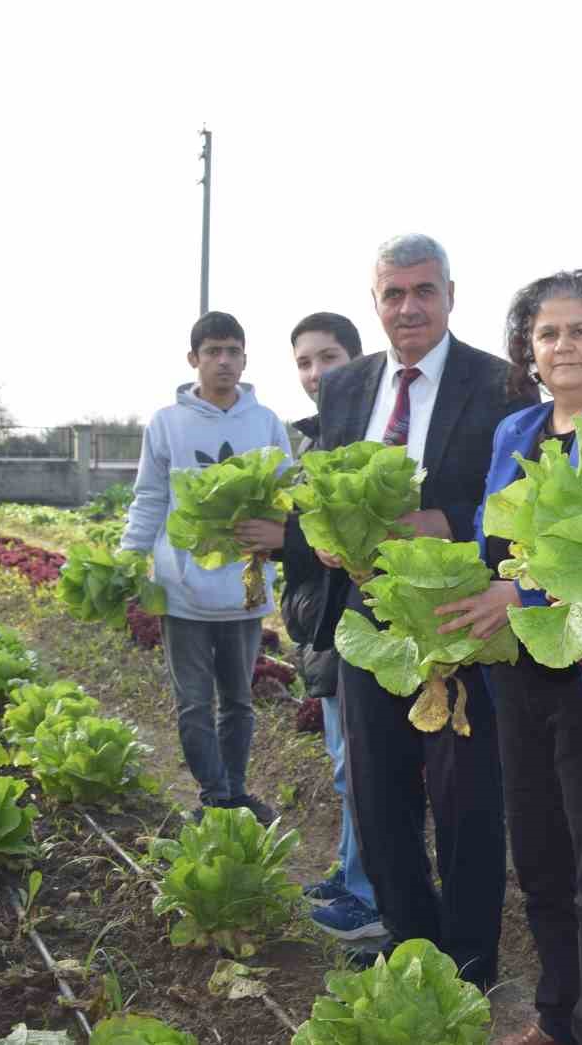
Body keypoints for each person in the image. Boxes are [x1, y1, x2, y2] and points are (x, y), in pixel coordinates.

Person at [435, 269, 582, 1045]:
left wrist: (525, 601)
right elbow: (485, 546)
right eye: (547, 333)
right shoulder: (514, 432)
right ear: (528, 348)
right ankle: (556, 1019)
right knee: (537, 862)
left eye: (581, 330)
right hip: (517, 681)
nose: (563, 346)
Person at [306, 233, 536, 983]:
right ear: (375, 302)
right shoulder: (344, 389)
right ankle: (411, 947)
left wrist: (444, 520)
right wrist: (331, 539)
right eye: (393, 293)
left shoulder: (502, 383)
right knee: (378, 795)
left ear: (449, 294)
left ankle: (468, 963)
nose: (408, 306)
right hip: (369, 619)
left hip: (457, 618)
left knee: (466, 797)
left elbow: (519, 501)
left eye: (423, 290)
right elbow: (322, 490)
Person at [232, 312, 383, 941]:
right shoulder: (310, 441)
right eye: (304, 362)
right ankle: (353, 875)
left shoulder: (369, 440)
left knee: (362, 768)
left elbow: (352, 533)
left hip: (354, 625)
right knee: (344, 762)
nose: (316, 372)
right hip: (320, 629)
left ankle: (371, 895)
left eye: (329, 357)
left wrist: (286, 536)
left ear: (360, 359)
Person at [121, 310, 292, 824]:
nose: (224, 361)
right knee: (193, 703)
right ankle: (214, 797)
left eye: (233, 351)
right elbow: (150, 497)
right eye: (213, 351)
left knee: (238, 700)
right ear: (193, 359)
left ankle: (236, 790)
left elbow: (285, 495)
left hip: (243, 586)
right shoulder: (166, 423)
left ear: (244, 359)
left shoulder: (264, 423)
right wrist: (131, 558)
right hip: (183, 589)